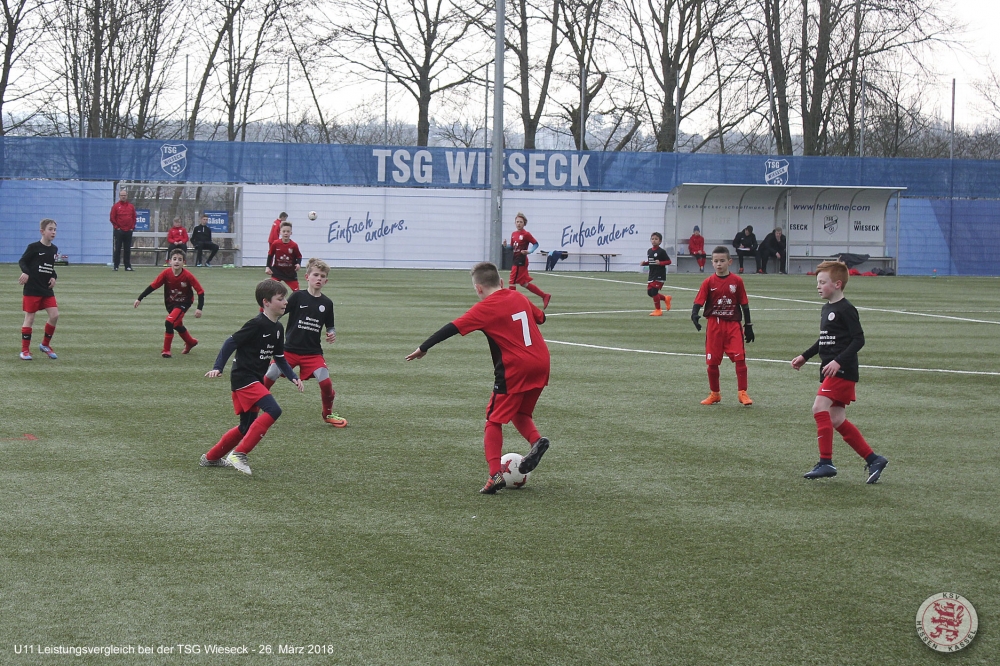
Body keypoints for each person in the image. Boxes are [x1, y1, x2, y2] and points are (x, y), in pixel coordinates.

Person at [406, 262, 551, 494]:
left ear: (478, 288)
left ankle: (495, 475)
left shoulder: (485, 308)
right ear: (501, 282)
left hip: (515, 368)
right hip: (541, 362)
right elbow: (541, 318)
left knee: (493, 420)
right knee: (520, 412)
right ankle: (536, 442)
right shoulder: (518, 296)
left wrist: (423, 347)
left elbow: (452, 327)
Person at [792, 261, 888, 483]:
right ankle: (873, 459)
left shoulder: (846, 309)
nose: (818, 286)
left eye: (822, 282)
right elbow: (824, 340)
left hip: (842, 370)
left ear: (837, 284)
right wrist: (805, 356)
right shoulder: (827, 308)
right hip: (832, 370)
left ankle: (826, 462)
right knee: (836, 419)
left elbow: (858, 339)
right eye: (817, 282)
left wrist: (837, 361)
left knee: (819, 407)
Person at [200, 280, 304, 475]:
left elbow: (279, 357)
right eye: (280, 299)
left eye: (285, 298)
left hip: (254, 379)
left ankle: (211, 458)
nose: (285, 302)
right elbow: (230, 343)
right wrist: (218, 367)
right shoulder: (256, 324)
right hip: (244, 378)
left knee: (246, 426)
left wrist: (292, 376)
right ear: (266, 302)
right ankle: (239, 454)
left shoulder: (278, 328)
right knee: (274, 410)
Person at [262, 258, 347, 427]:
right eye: (315, 275)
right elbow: (279, 312)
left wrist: (331, 333)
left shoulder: (327, 303)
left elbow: (330, 326)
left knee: (326, 382)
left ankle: (327, 414)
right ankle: (254, 405)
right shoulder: (297, 296)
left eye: (322, 276)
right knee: (270, 375)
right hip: (289, 350)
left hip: (313, 353)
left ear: (326, 281)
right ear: (307, 277)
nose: (319, 278)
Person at [691, 246, 755, 406]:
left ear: (729, 262)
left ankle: (742, 393)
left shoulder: (737, 281)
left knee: (740, 358)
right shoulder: (708, 282)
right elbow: (699, 300)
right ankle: (715, 394)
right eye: (716, 261)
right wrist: (694, 314)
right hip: (714, 325)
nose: (719, 264)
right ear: (712, 262)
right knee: (712, 361)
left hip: (733, 325)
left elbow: (744, 304)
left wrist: (748, 325)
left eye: (722, 260)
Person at [134, 248, 205, 358]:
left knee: (169, 322)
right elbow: (153, 286)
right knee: (176, 324)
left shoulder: (187, 276)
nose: (177, 261)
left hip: (184, 303)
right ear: (169, 261)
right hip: (170, 303)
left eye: (180, 259)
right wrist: (140, 298)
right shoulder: (166, 273)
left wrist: (199, 308)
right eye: (174, 259)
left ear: (184, 262)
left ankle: (166, 350)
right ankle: (190, 342)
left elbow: (200, 291)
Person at [18, 218, 60, 360]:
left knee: (54, 315)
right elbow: (23, 261)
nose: (53, 232)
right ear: (42, 231)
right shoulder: (33, 247)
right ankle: (25, 351)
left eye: (55, 229)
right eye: (50, 229)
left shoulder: (54, 249)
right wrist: (25, 272)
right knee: (30, 317)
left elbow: (50, 267)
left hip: (46, 289)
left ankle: (45, 345)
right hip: (32, 288)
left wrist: (53, 276)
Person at [508, 212, 551, 309]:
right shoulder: (513, 234)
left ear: (524, 223)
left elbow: (535, 244)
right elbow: (512, 247)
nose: (519, 223)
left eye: (521, 222)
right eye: (517, 222)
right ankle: (544, 296)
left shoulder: (526, 234)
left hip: (521, 260)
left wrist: (529, 251)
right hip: (516, 260)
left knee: (512, 281)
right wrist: (506, 246)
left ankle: (511, 304)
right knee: (523, 283)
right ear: (515, 223)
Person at [640, 232, 672, 316]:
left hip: (659, 274)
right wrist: (644, 263)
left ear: (660, 241)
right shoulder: (649, 251)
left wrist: (660, 263)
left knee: (654, 291)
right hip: (652, 274)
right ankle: (665, 298)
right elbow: (651, 262)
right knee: (650, 293)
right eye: (652, 239)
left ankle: (658, 310)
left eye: (656, 239)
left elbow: (669, 261)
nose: (654, 240)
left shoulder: (661, 251)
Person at [266, 221, 302, 290]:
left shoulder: (294, 245)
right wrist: (268, 267)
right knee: (271, 290)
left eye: (288, 231)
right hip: (277, 271)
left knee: (297, 291)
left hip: (290, 272)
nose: (286, 233)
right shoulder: (275, 243)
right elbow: (270, 255)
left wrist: (298, 264)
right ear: (280, 232)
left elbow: (299, 256)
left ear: (291, 233)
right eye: (284, 231)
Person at [110, 188, 136, 271]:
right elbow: (112, 218)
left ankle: (127, 266)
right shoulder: (116, 206)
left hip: (128, 231)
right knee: (117, 248)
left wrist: (132, 227)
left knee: (127, 249)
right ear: (119, 196)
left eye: (124, 195)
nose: (123, 197)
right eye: (122, 195)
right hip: (119, 231)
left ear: (127, 196)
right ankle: (116, 266)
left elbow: (134, 217)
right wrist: (117, 227)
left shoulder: (131, 206)